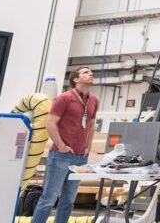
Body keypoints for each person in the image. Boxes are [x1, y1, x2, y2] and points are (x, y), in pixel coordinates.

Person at [32, 66, 99, 223]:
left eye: (91, 72)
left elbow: (91, 125)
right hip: (61, 155)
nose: (90, 74)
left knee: (68, 200)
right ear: (76, 79)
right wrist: (61, 146)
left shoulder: (94, 100)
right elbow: (50, 124)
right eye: (86, 72)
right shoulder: (64, 98)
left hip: (80, 158)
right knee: (49, 198)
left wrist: (88, 147)